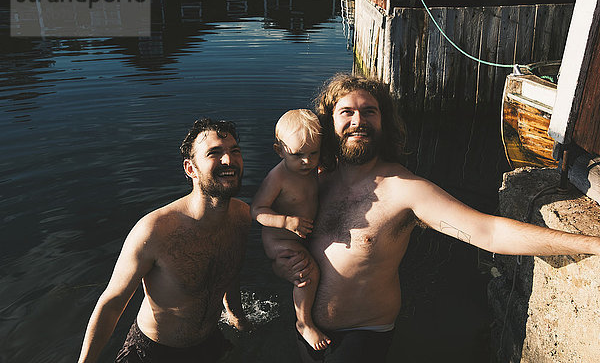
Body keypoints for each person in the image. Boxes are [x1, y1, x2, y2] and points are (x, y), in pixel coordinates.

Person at [272, 73, 600, 363]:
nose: (358, 120)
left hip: (364, 335)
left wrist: (591, 243)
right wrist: (281, 265)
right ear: (328, 122)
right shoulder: (313, 181)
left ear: (383, 122)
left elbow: (487, 231)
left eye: (369, 111)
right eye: (347, 112)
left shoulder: (404, 188)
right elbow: (279, 240)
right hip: (308, 330)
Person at [78, 118, 251, 363]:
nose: (229, 160)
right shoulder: (155, 230)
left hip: (208, 344)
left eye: (235, 151)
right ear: (191, 169)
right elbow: (112, 303)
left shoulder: (243, 217)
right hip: (152, 353)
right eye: (214, 153)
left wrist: (237, 316)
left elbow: (229, 271)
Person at [251, 109, 330, 351]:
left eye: (313, 153)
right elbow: (257, 210)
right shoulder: (278, 177)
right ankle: (303, 323)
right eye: (298, 155)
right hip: (280, 239)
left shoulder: (311, 170)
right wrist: (285, 222)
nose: (307, 161)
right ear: (279, 151)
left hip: (300, 236)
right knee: (308, 273)